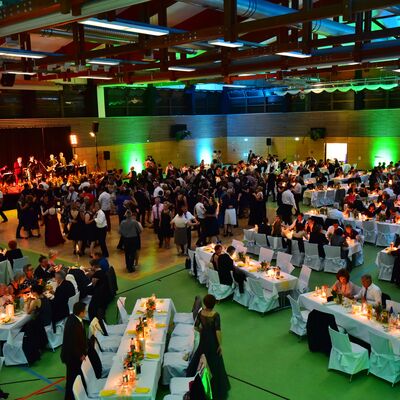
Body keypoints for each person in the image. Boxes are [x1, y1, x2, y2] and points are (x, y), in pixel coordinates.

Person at [186, 294, 230, 400]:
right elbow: (217, 331)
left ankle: (195, 377)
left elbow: (196, 326)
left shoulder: (201, 313)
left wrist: (202, 331)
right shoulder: (215, 315)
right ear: (214, 304)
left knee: (200, 356)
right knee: (216, 362)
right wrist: (220, 345)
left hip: (204, 339)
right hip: (212, 341)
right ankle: (218, 384)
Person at [61, 301, 88, 400]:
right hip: (72, 356)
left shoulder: (75, 318)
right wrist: (80, 355)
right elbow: (72, 343)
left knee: (74, 375)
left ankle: (79, 392)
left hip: (74, 354)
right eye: (85, 311)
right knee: (72, 378)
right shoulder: (73, 324)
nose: (86, 313)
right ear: (80, 313)